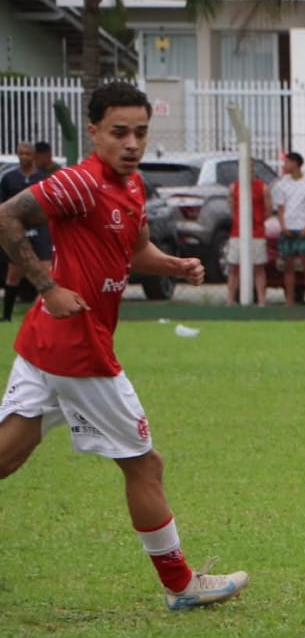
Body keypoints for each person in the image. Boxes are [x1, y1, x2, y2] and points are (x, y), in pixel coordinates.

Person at [0, 81, 247, 611]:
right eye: (119, 132)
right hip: (79, 350)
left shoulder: (130, 186)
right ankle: (181, 584)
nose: (131, 143)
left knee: (8, 456)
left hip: (46, 343)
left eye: (140, 131)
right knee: (144, 464)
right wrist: (48, 285)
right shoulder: (81, 183)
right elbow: (7, 216)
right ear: (93, 132)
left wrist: (175, 265)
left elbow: (132, 252)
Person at [1, 141, 52, 322]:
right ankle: (6, 316)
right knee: (14, 272)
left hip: (40, 229)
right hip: (18, 230)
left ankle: (39, 315)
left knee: (47, 271)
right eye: (21, 153)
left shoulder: (43, 179)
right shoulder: (9, 179)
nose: (24, 157)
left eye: (27, 154)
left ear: (33, 156)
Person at [272, 150, 305, 305]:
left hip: (303, 228)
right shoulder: (282, 184)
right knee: (288, 266)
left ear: (295, 164)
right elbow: (280, 208)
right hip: (288, 228)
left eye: (287, 162)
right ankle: (290, 300)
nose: (285, 165)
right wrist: (283, 225)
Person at [225, 172, 269, 306]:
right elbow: (232, 207)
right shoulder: (234, 187)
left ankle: (261, 301)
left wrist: (258, 221)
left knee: (259, 267)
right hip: (237, 233)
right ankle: (230, 300)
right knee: (234, 267)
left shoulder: (263, 187)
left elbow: (268, 209)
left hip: (257, 233)